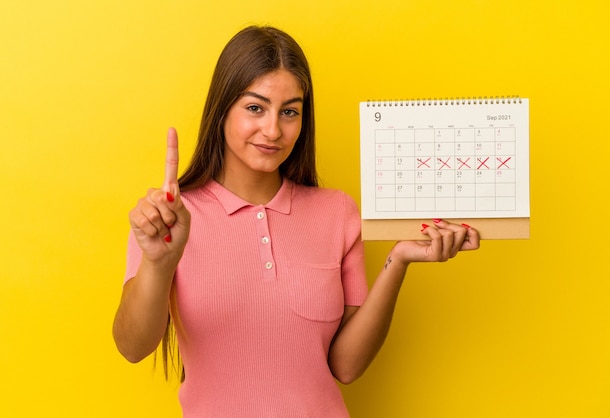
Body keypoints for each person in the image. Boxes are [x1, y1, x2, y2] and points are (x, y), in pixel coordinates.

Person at [112, 25, 480, 417]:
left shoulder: (336, 213)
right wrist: (158, 263)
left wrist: (400, 259)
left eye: (289, 112)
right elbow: (132, 347)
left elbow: (346, 366)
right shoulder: (169, 219)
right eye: (255, 108)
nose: (273, 130)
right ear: (222, 110)